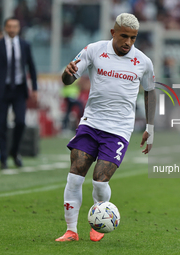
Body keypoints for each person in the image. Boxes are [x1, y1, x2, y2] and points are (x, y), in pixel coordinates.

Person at [55, 13, 156, 242]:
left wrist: (150, 126)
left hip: (119, 130)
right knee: (75, 176)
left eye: (133, 38)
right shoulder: (94, 50)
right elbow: (68, 80)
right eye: (124, 36)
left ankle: (98, 222)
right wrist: (66, 72)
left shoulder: (143, 61)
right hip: (91, 124)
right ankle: (71, 230)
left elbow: (150, 91)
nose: (128, 42)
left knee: (100, 180)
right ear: (113, 33)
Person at [0, 17, 38, 170]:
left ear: (19, 28)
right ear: (5, 28)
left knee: (20, 122)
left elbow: (31, 67)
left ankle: (14, 152)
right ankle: (3, 157)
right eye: (9, 26)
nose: (12, 29)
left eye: (15, 26)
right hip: (2, 89)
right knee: (1, 125)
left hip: (19, 89)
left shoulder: (25, 45)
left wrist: (35, 88)